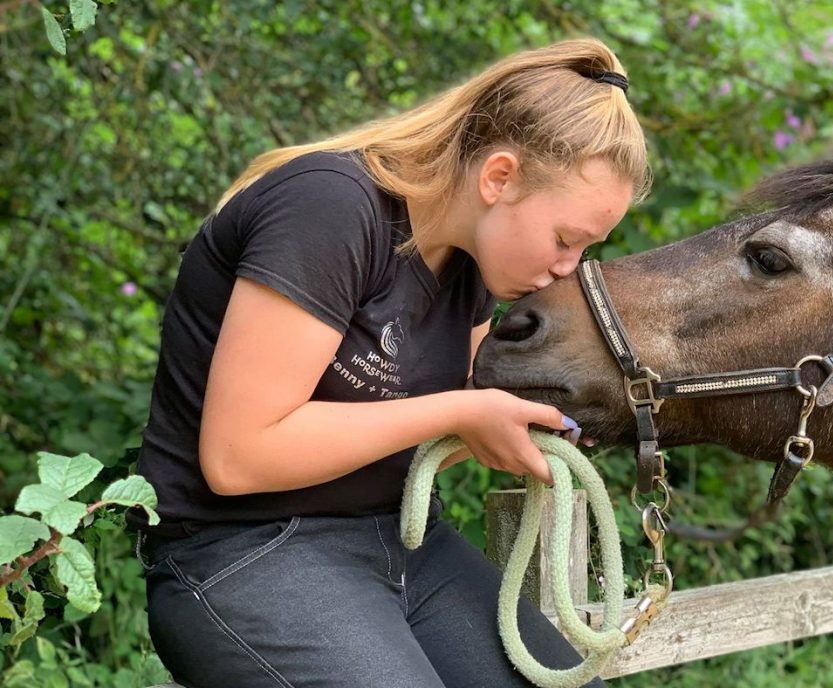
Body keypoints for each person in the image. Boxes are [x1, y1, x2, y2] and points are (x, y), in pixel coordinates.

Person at [127, 37, 649, 687]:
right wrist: (464, 408)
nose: (566, 268)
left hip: (403, 547)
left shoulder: (473, 270)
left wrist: (521, 424)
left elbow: (434, 429)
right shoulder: (330, 206)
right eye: (565, 239)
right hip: (245, 550)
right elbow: (238, 456)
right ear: (499, 178)